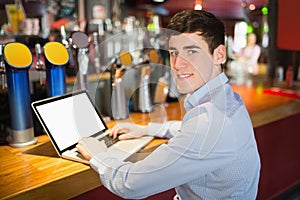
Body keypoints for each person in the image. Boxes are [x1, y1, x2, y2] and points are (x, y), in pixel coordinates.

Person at [77, 10, 261, 199]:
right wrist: (148, 129)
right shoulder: (226, 100)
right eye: (174, 52)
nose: (177, 64)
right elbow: (191, 130)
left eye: (191, 51)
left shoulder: (210, 123)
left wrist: (99, 155)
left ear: (219, 54)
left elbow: (131, 184)